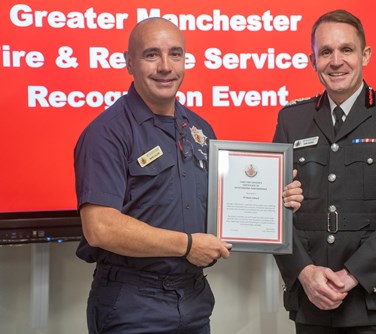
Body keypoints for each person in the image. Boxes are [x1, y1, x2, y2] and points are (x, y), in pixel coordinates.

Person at [74, 17, 303, 334]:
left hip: (194, 300)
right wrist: (186, 245)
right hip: (133, 304)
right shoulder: (107, 133)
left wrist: (277, 200)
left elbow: (223, 207)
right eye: (151, 54)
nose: (165, 66)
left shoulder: (199, 130)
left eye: (175, 54)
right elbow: (100, 227)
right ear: (129, 63)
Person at [272, 9, 376, 334]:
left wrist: (351, 275)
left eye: (346, 49)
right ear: (312, 59)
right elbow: (273, 211)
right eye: (326, 52)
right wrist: (303, 271)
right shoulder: (291, 119)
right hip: (312, 301)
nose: (336, 61)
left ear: (366, 55)